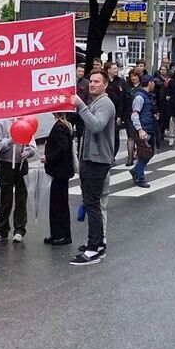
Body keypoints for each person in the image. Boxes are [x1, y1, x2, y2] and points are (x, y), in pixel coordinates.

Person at [71, 70, 117, 266]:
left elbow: (97, 125)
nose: (92, 84)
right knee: (92, 203)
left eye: (97, 81)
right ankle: (97, 244)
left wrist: (81, 107)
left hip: (98, 161)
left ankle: (93, 249)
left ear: (105, 85)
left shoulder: (105, 104)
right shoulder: (95, 103)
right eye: (91, 81)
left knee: (92, 204)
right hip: (90, 159)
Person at [0, 119, 35, 242]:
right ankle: (2, 230)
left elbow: (32, 144)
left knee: (21, 197)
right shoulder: (0, 122)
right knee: (5, 197)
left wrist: (29, 151)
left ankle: (19, 230)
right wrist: (10, 141)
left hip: (21, 163)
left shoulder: (26, 121)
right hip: (6, 163)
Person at [43, 113, 76, 246]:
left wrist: (48, 158)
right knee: (58, 203)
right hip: (62, 171)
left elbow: (63, 148)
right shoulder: (65, 126)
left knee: (59, 204)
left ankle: (62, 235)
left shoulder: (59, 127)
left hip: (60, 171)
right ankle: (57, 233)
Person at [129, 76, 159, 186]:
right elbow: (135, 114)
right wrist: (140, 129)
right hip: (144, 129)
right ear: (150, 83)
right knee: (144, 153)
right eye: (153, 83)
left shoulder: (147, 96)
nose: (154, 85)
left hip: (149, 127)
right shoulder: (140, 97)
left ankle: (136, 170)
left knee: (149, 152)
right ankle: (140, 178)